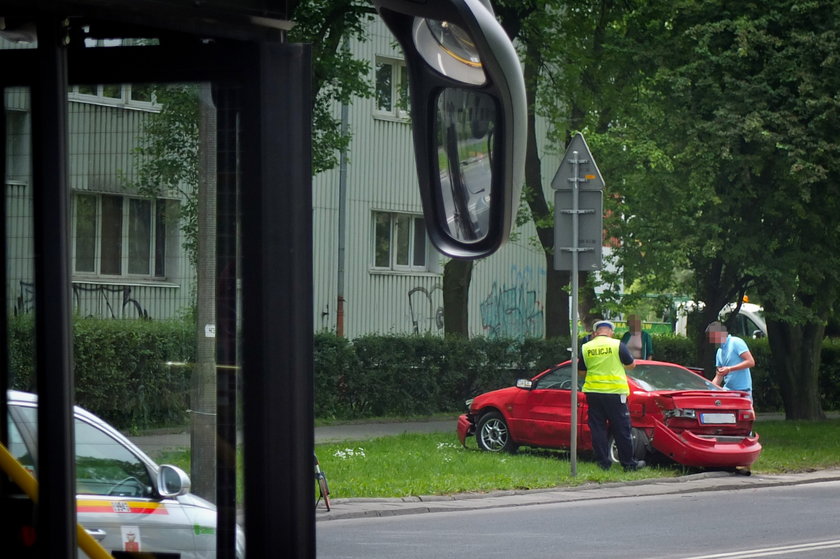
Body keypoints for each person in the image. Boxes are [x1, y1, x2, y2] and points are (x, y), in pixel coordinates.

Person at [578, 320, 645, 471]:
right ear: (610, 332)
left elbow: (581, 372)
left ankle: (603, 463)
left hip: (593, 393)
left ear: (596, 332)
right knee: (622, 428)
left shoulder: (586, 347)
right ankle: (628, 463)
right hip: (615, 393)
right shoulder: (617, 345)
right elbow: (631, 365)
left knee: (598, 429)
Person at [706, 321, 755, 399]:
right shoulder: (719, 352)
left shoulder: (736, 342)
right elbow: (719, 375)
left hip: (743, 391)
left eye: (712, 337)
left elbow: (751, 362)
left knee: (745, 411)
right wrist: (709, 391)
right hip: (728, 391)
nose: (712, 341)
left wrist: (729, 369)